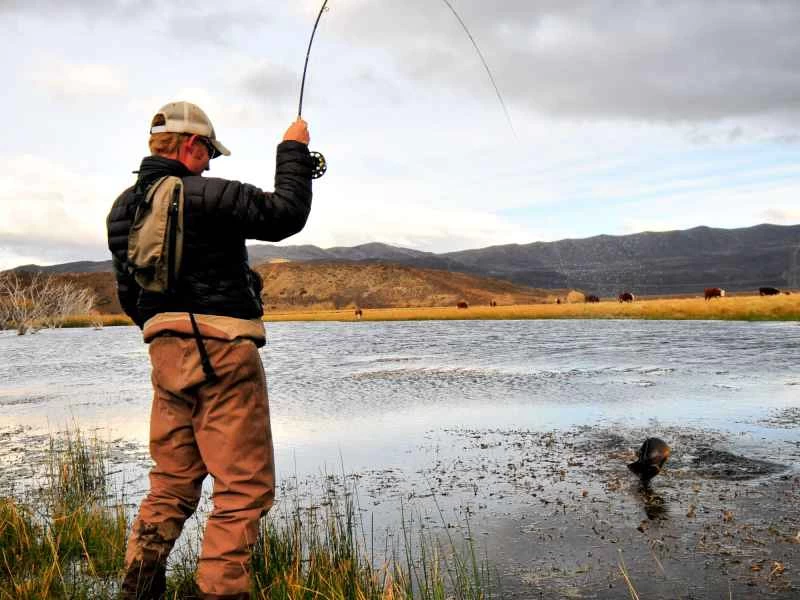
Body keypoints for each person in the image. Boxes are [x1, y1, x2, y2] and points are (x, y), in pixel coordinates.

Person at [107, 101, 313, 600]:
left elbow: (128, 293)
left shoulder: (122, 208)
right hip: (223, 352)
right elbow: (286, 214)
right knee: (242, 490)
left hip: (164, 354)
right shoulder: (209, 195)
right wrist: (295, 150)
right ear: (191, 146)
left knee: (171, 482)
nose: (210, 163)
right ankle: (220, 593)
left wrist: (166, 333)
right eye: (208, 153)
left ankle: (137, 590)